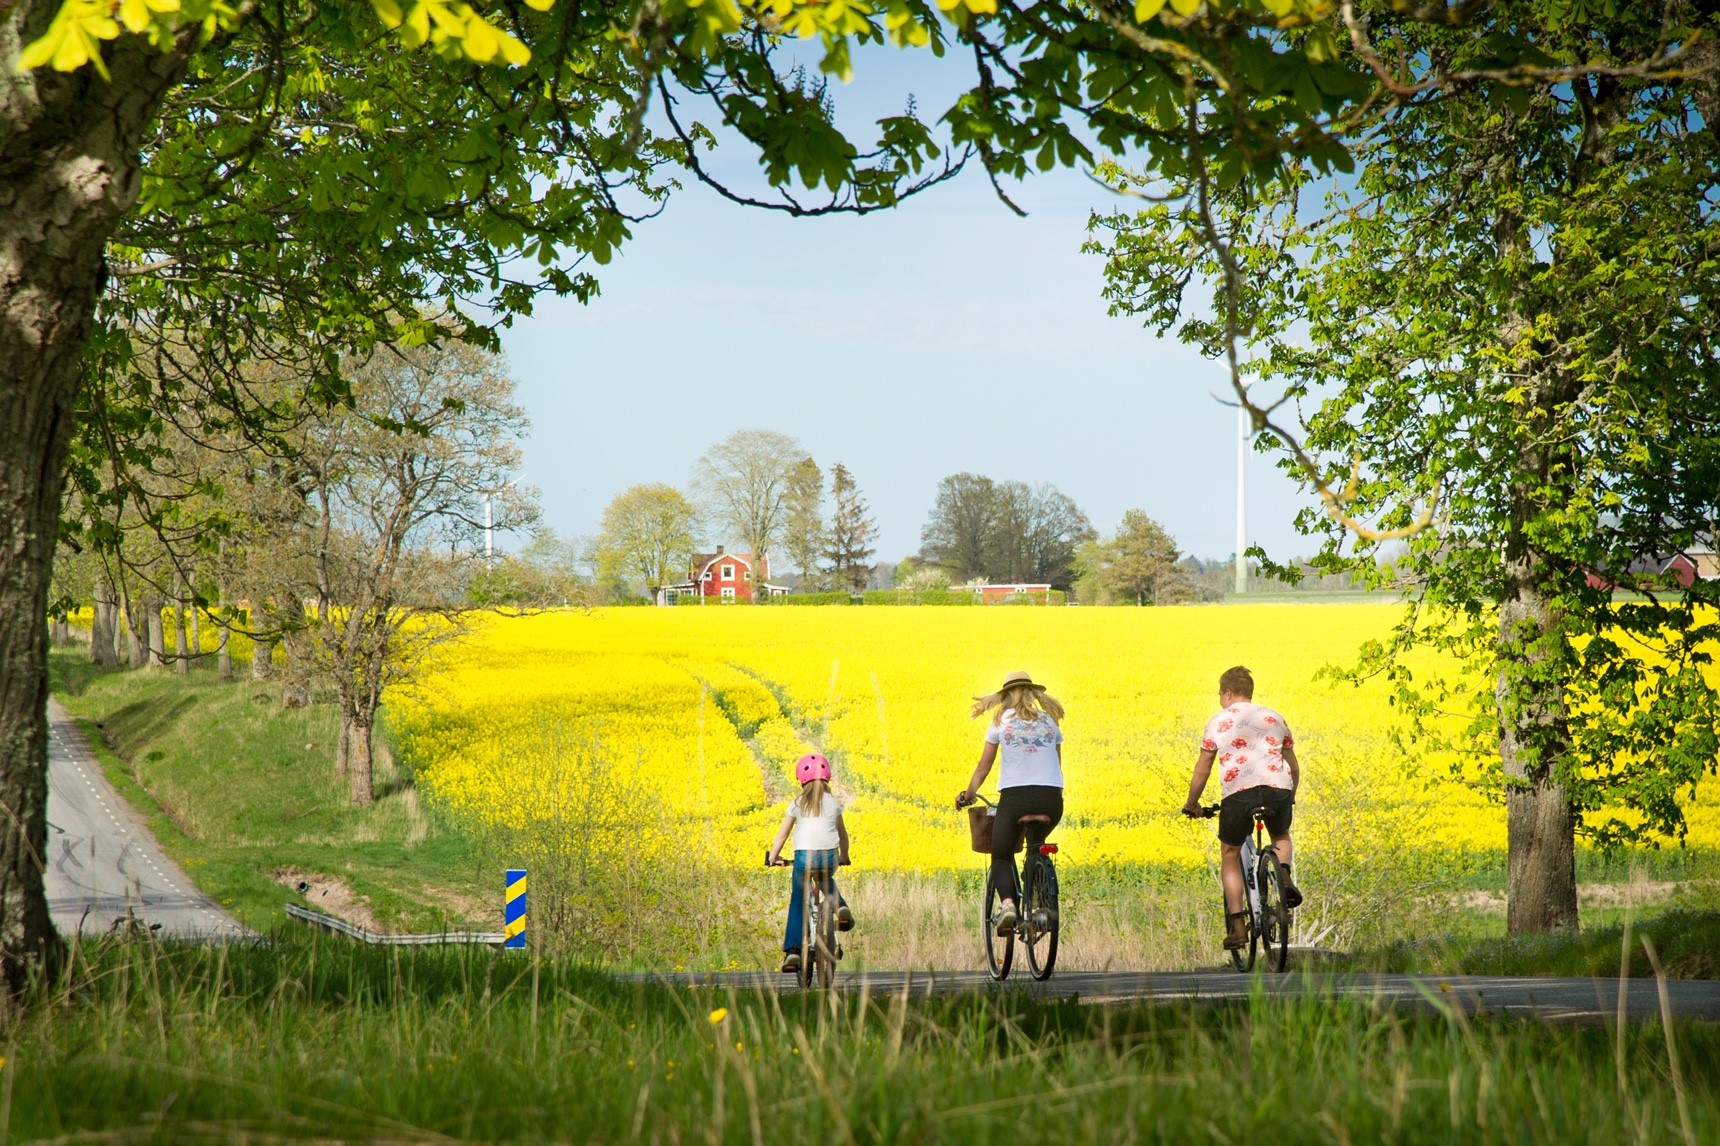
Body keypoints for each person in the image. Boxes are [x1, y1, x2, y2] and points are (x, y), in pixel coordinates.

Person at [1181, 665, 1304, 950]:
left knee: (1230, 852)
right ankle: (1283, 876)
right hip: (1278, 787)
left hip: (1240, 793)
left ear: (1228, 693)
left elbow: (1203, 768)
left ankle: (1237, 926)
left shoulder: (1219, 721)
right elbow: (1294, 767)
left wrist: (1192, 804)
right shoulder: (1274, 716)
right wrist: (1291, 794)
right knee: (1281, 834)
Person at [955, 670, 1065, 936]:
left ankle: (1008, 906)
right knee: (1037, 848)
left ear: (1006, 695)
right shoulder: (1050, 722)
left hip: (1015, 799)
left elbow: (983, 768)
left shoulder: (1000, 721)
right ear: (1033, 693)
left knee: (1002, 854)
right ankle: (1041, 906)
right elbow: (1057, 766)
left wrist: (968, 795)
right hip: (1051, 799)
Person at [766, 752, 853, 973]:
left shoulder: (797, 803)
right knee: (825, 877)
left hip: (804, 857)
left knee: (798, 897)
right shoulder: (832, 803)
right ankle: (840, 907)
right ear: (827, 779)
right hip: (829, 856)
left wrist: (773, 858)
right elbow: (843, 836)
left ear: (801, 780)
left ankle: (794, 951)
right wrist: (844, 856)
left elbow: (781, 836)